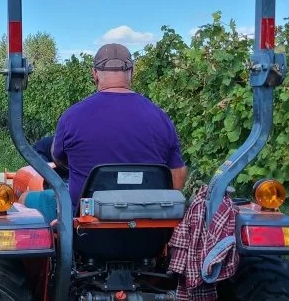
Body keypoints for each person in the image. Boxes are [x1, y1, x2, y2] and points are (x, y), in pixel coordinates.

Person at [51, 43, 187, 205]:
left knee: (33, 198)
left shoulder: (71, 117)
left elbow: (59, 159)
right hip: (150, 225)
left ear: (95, 73)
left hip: (85, 226)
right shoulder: (161, 117)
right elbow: (177, 178)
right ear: (132, 72)